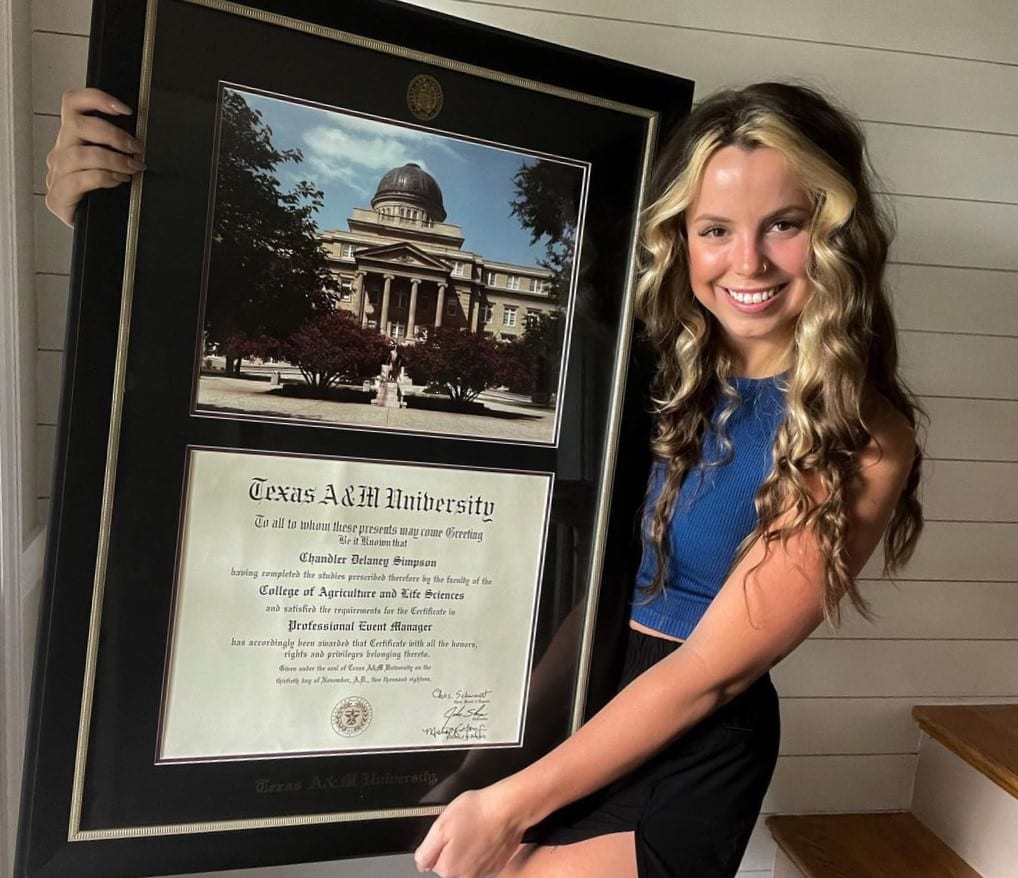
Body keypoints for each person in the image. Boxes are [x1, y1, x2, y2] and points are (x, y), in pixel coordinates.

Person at [46, 81, 922, 878]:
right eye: (715, 228)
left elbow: (713, 675)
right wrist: (111, 217)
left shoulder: (862, 436)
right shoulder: (639, 367)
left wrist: (508, 800)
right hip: (566, 691)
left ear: (835, 228)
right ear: (680, 238)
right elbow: (589, 589)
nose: (749, 263)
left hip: (685, 750)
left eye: (787, 222)